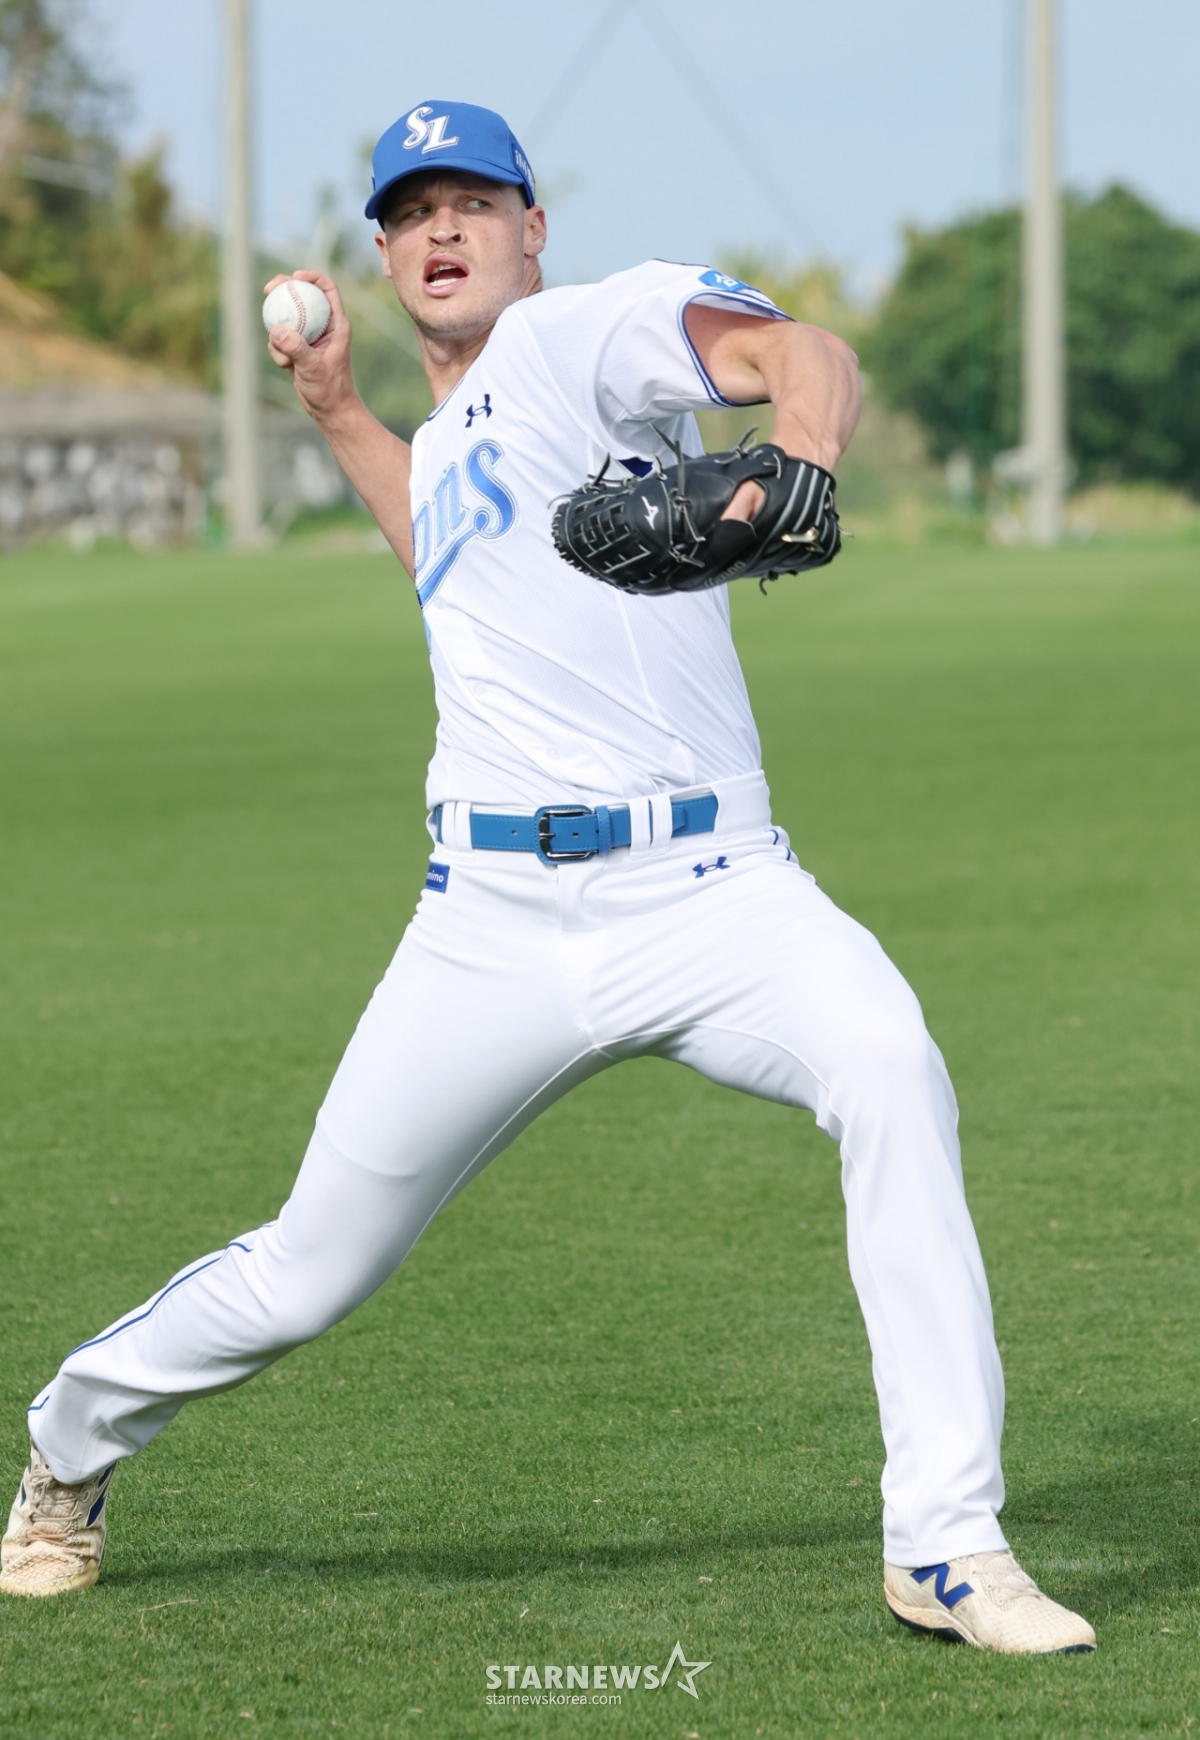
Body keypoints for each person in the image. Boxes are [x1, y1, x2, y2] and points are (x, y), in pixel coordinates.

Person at [1, 99, 1094, 1653]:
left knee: (892, 1070)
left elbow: (805, 352)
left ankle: (946, 1541)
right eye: (409, 211)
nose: (440, 228)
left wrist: (799, 451)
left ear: (531, 229)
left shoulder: (586, 331)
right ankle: (67, 1446)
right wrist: (336, 409)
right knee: (311, 1268)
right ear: (385, 255)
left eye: (471, 201)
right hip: (492, 926)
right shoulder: (453, 434)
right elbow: (445, 558)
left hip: (713, 889)